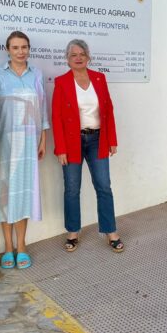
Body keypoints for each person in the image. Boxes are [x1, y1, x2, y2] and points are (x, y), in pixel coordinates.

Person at [52, 39, 124, 253]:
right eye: (73, 55)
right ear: (67, 59)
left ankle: (111, 231)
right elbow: (56, 117)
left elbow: (108, 110)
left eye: (82, 54)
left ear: (88, 57)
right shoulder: (61, 82)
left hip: (97, 140)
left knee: (104, 186)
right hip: (72, 142)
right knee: (72, 188)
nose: (78, 58)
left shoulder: (99, 78)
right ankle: (73, 232)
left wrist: (112, 140)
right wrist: (60, 148)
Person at [0, 31, 49, 269]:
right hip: (3, 143)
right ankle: (8, 247)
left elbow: (42, 108)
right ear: (8, 50)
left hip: (29, 144)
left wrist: (43, 139)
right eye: (15, 47)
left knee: (24, 192)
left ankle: (21, 246)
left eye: (24, 47)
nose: (20, 52)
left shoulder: (37, 74)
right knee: (5, 193)